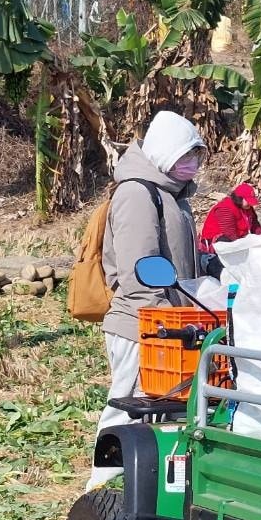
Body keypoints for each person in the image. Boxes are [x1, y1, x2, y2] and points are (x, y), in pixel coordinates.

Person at [87, 112, 206, 490]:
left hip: (170, 325)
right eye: (186, 155)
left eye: (197, 156)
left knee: (160, 412)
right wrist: (167, 322)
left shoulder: (172, 194)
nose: (192, 164)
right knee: (127, 406)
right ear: (164, 151)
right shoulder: (137, 193)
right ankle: (103, 487)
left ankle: (143, 486)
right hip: (142, 325)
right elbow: (140, 270)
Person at [198, 183, 261, 276]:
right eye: (248, 201)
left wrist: (260, 239)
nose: (250, 204)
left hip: (238, 238)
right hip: (219, 243)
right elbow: (230, 233)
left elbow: (255, 225)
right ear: (239, 199)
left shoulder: (247, 208)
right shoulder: (225, 208)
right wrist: (243, 247)